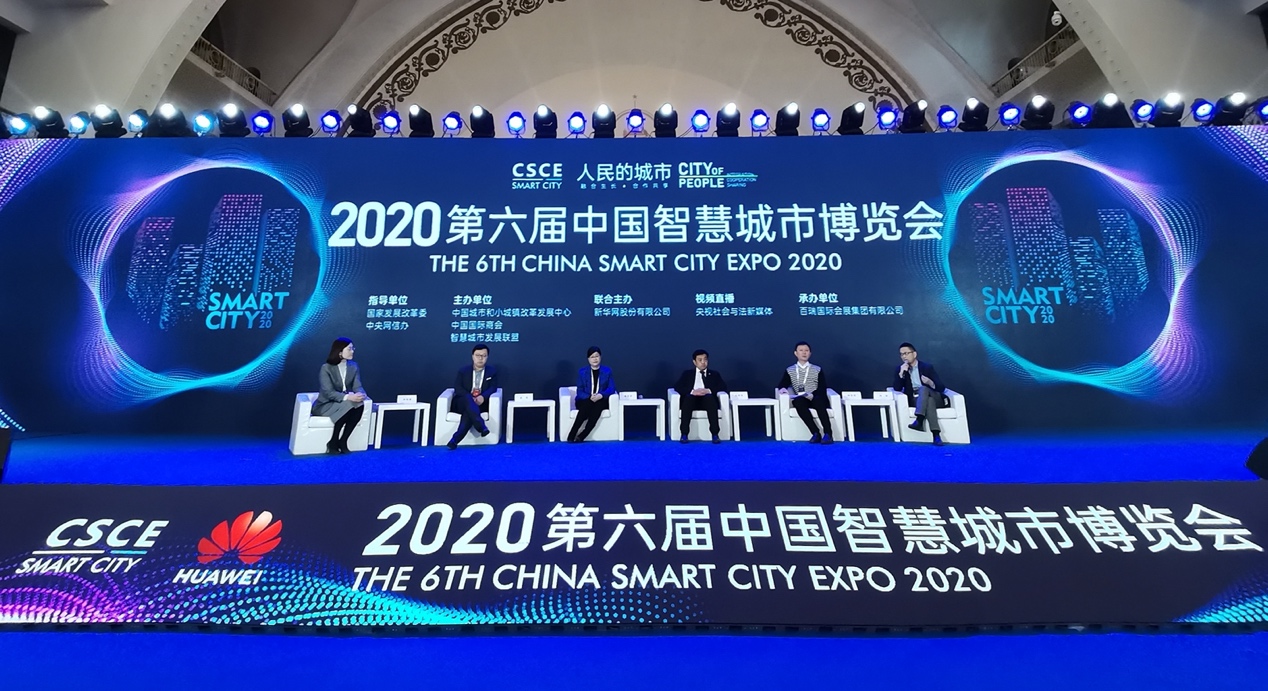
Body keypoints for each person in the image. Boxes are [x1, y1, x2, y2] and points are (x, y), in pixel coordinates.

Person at [313, 338, 367, 454]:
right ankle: (333, 441)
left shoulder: (354, 366)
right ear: (340, 352)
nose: (352, 351)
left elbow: (357, 386)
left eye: (353, 348)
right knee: (348, 405)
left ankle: (343, 441)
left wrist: (361, 394)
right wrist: (348, 397)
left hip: (342, 403)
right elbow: (328, 392)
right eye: (349, 349)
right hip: (325, 404)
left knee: (359, 404)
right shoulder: (326, 368)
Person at [776, 341, 834, 444]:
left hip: (816, 396)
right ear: (796, 353)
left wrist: (813, 395)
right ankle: (815, 433)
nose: (804, 353)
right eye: (801, 350)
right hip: (802, 398)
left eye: (806, 350)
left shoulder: (817, 369)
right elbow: (782, 384)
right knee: (798, 402)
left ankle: (828, 434)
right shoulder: (790, 370)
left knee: (818, 401)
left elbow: (822, 386)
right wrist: (783, 389)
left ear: (810, 353)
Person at [893, 342, 948, 446]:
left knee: (923, 389)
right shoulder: (901, 369)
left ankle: (919, 419)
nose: (904, 357)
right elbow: (897, 388)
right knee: (929, 402)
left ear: (914, 354)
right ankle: (936, 435)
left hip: (934, 395)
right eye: (902, 354)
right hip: (917, 400)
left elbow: (941, 388)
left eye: (906, 353)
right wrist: (901, 374)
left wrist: (930, 382)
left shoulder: (927, 367)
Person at [447, 343, 498, 450]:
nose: (480, 358)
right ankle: (481, 426)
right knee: (468, 400)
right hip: (462, 401)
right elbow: (458, 388)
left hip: (480, 403)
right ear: (472, 356)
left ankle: (455, 440)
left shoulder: (492, 371)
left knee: (469, 412)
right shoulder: (463, 371)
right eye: (478, 355)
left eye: (484, 356)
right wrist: (470, 397)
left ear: (487, 357)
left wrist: (483, 397)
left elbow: (493, 388)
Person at [673, 349, 728, 444]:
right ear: (694, 362)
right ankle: (684, 434)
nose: (703, 362)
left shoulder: (714, 374)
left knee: (709, 398)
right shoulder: (687, 374)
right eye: (700, 360)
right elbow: (678, 387)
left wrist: (709, 390)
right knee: (688, 398)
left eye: (705, 359)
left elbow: (723, 387)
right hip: (692, 400)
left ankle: (715, 434)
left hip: (707, 401)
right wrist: (692, 391)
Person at [568, 346, 616, 443]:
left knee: (597, 408)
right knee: (586, 406)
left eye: (597, 356)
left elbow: (611, 388)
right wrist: (590, 397)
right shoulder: (582, 372)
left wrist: (601, 395)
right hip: (585, 400)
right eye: (592, 357)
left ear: (600, 357)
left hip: (601, 400)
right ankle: (572, 433)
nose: (595, 359)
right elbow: (580, 391)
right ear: (588, 359)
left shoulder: (607, 371)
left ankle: (582, 436)